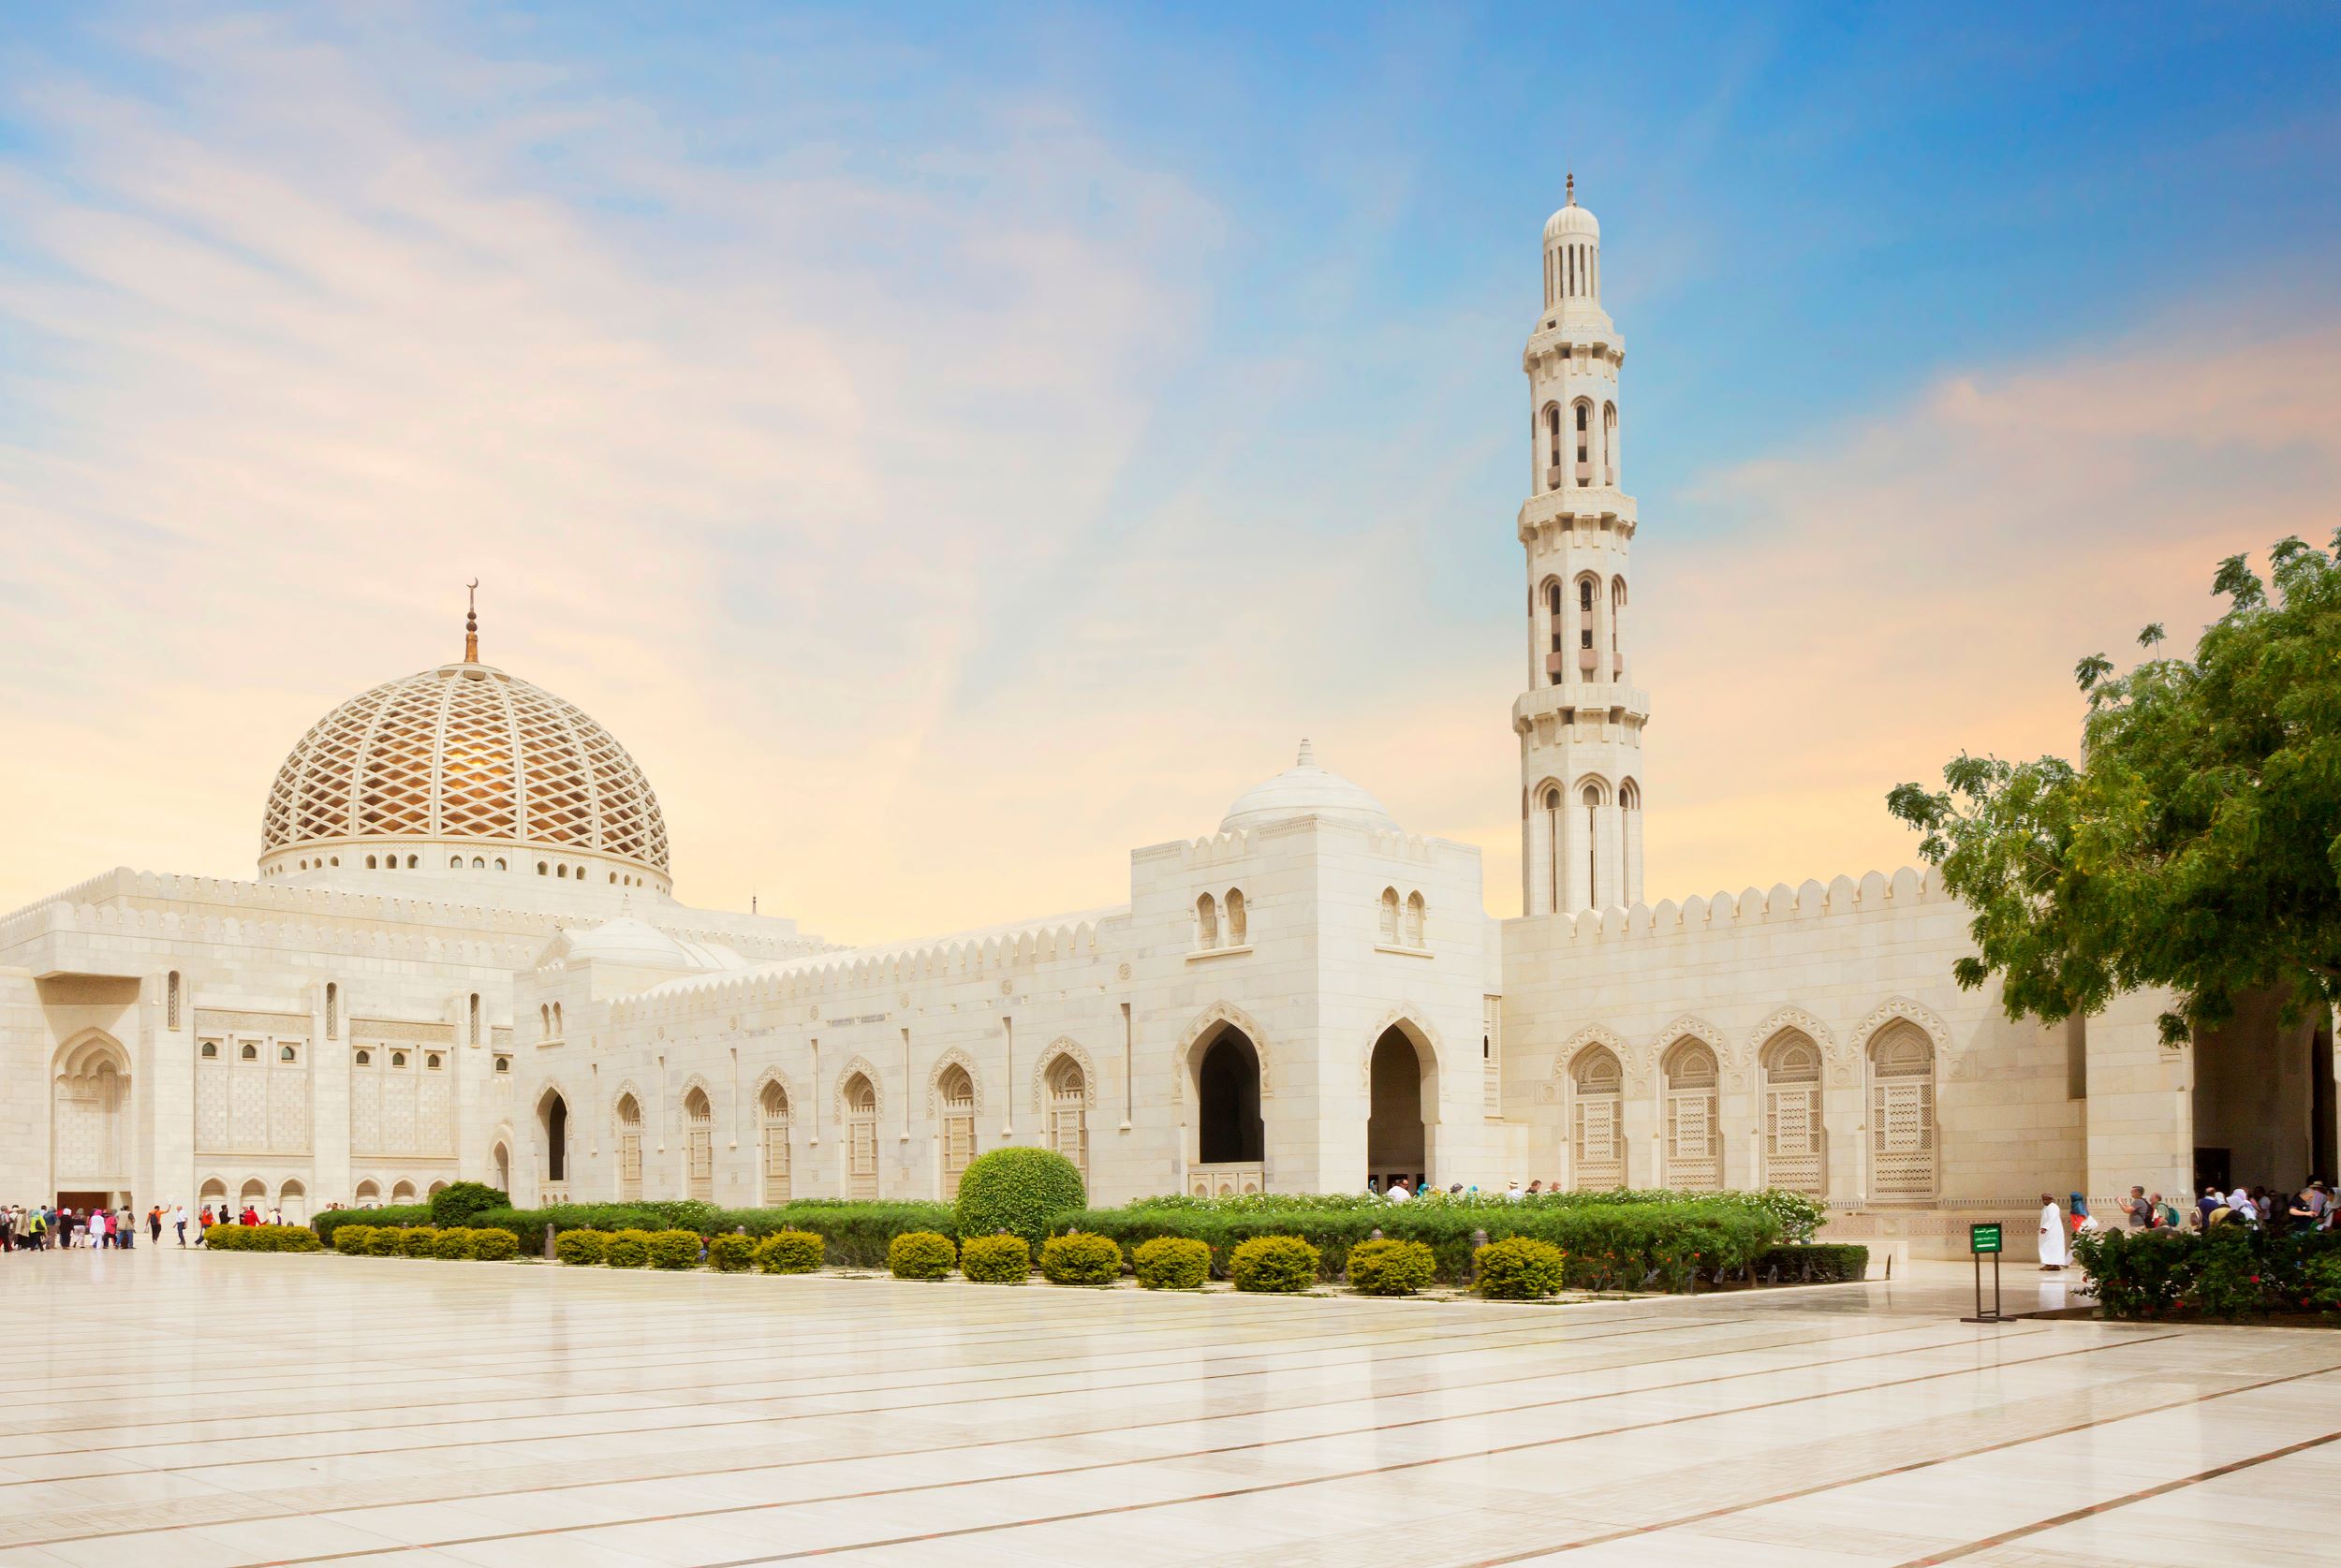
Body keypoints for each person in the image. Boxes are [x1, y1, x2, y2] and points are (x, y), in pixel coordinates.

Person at [2037, 1193, 2069, 1270]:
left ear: (2051, 1199)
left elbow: (2052, 1218)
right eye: (2043, 1199)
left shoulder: (2053, 1207)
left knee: (2047, 1246)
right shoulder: (2046, 1207)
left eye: (2047, 1199)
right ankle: (2054, 1265)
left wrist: (2045, 1227)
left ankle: (2049, 1264)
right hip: (2050, 1231)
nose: (2045, 1201)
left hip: (2052, 1231)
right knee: (2051, 1247)